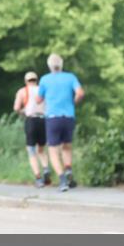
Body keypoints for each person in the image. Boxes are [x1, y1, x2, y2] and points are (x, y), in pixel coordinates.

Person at [36, 53, 85, 192]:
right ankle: (68, 169)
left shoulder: (45, 79)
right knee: (67, 146)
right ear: (61, 64)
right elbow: (80, 93)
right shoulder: (70, 77)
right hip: (69, 116)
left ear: (49, 66)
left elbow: (39, 99)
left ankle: (62, 179)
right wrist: (73, 102)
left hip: (53, 117)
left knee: (53, 150)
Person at [13, 71, 51, 187]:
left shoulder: (22, 91)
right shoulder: (42, 90)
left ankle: (38, 178)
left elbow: (16, 108)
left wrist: (22, 111)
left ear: (26, 81)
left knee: (31, 151)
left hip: (31, 120)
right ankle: (45, 168)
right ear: (36, 80)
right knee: (41, 149)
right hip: (43, 120)